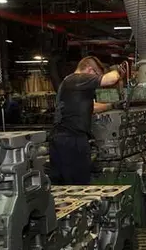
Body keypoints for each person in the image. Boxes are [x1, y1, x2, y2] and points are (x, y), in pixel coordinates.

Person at [49, 56, 129, 184]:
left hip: (63, 139)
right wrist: (118, 70)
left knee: (66, 184)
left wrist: (112, 105)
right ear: (89, 69)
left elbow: (92, 107)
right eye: (96, 75)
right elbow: (110, 79)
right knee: (78, 185)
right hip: (71, 140)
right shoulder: (78, 78)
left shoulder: (70, 83)